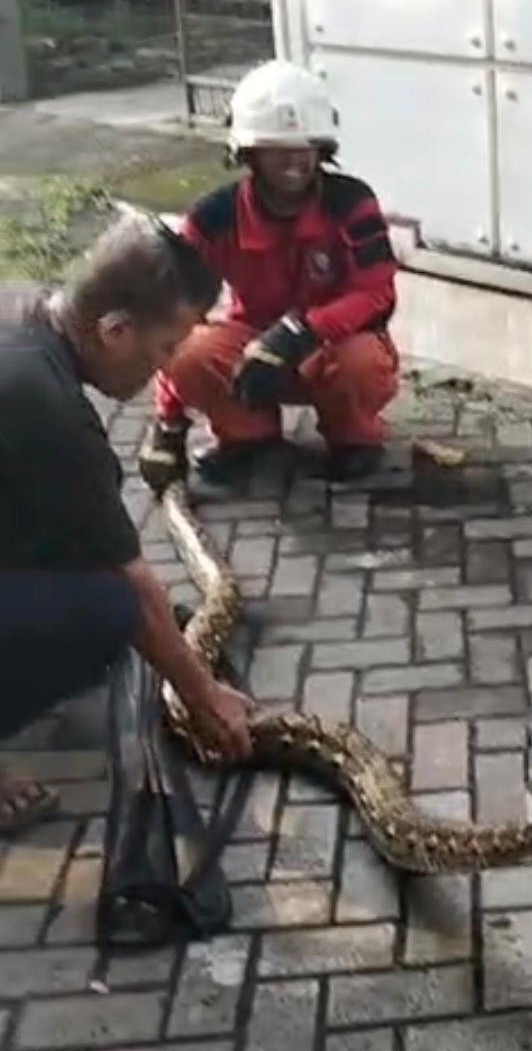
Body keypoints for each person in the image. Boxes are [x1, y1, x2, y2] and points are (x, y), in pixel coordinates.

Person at [0, 214, 252, 836]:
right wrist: (204, 693)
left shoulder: (20, 313)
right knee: (108, 610)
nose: (165, 370)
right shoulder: (45, 408)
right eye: (165, 349)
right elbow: (133, 586)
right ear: (114, 330)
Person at [137, 60, 399, 494]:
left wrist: (298, 332)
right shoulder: (213, 218)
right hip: (250, 354)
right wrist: (168, 425)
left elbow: (376, 294)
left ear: (322, 148)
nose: (294, 159)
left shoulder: (351, 202)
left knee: (363, 360)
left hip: (328, 348)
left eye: (305, 146)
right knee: (189, 350)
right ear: (249, 153)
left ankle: (353, 439)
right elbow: (174, 313)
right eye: (277, 147)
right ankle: (249, 441)